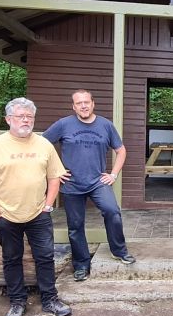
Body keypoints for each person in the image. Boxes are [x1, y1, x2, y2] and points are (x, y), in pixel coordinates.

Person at [0, 97, 72, 316]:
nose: (25, 120)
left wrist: (47, 206)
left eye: (29, 116)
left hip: (38, 214)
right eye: (20, 116)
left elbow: (55, 176)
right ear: (8, 119)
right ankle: (17, 302)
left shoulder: (44, 144)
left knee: (45, 257)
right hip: (6, 215)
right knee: (12, 258)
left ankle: (50, 299)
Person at [43, 90, 136, 282]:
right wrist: (55, 170)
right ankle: (81, 264)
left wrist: (113, 174)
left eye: (86, 102)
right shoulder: (63, 124)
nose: (83, 106)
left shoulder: (106, 125)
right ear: (74, 106)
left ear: (93, 103)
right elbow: (42, 145)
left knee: (112, 212)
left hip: (97, 182)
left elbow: (121, 150)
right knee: (75, 226)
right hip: (72, 184)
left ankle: (119, 251)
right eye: (79, 103)